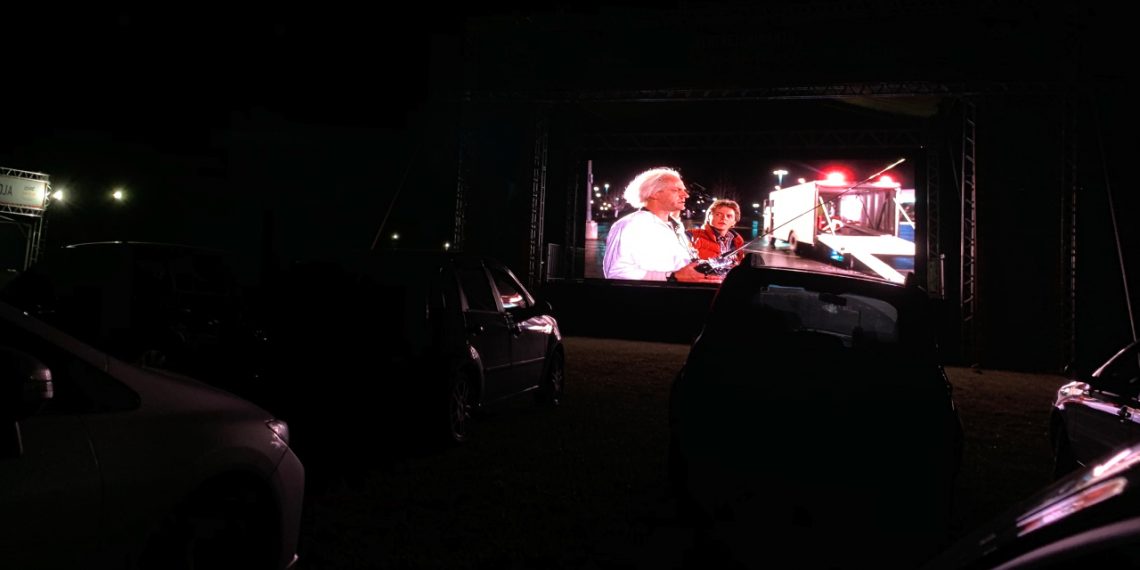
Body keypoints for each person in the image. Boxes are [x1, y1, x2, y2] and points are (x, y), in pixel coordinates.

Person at [602, 167, 722, 283]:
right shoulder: (631, 225)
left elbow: (678, 265)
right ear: (654, 193)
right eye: (676, 190)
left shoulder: (674, 225)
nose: (686, 195)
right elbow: (616, 274)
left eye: (684, 190)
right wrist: (672, 277)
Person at [687, 199, 746, 265]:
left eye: (729, 216)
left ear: (734, 222)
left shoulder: (738, 241)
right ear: (709, 217)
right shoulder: (691, 235)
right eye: (718, 214)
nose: (724, 218)